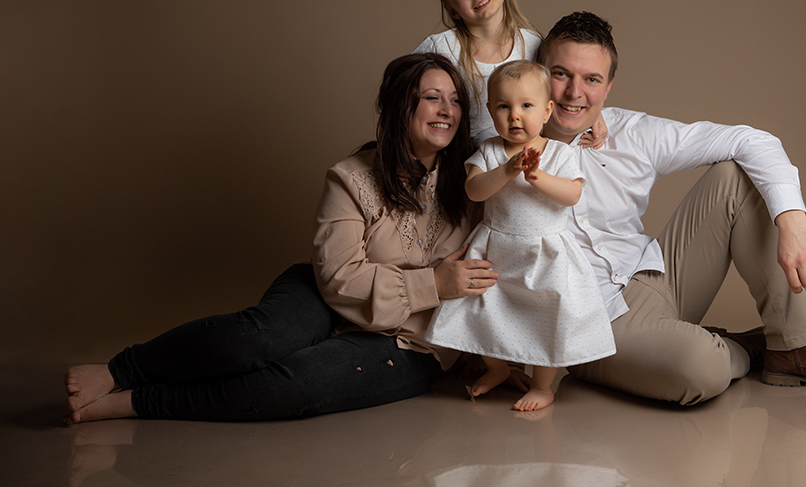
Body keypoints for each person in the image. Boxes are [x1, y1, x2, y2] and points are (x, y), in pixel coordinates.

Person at [63, 53, 504, 423]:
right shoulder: (351, 177)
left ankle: (138, 402)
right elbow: (340, 278)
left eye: (455, 101)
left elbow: (518, 252)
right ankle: (120, 370)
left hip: (410, 338)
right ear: (398, 106)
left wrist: (507, 356)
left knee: (298, 383)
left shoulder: (474, 181)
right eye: (432, 98)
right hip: (325, 292)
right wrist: (434, 284)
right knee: (254, 341)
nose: (447, 110)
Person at [533, 11, 806, 406]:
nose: (574, 93)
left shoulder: (630, 131)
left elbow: (752, 141)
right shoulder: (504, 151)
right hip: (596, 323)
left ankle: (796, 345)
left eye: (591, 79)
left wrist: (794, 223)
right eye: (561, 74)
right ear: (538, 72)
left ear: (609, 86)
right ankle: (742, 349)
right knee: (700, 370)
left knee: (734, 176)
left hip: (656, 278)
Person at [425, 61, 615, 411]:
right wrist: (508, 170)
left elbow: (572, 194)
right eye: (503, 106)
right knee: (482, 311)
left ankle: (544, 385)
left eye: (526, 106)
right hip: (497, 248)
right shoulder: (490, 152)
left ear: (546, 112)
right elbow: (475, 191)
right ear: (491, 112)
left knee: (550, 317)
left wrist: (537, 177)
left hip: (546, 252)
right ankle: (498, 368)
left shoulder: (558, 152)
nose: (515, 116)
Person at [414, 0, 605, 148]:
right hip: (464, 164)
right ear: (451, 9)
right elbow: (402, 98)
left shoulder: (532, 44)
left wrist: (594, 116)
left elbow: (560, 91)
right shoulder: (441, 48)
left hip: (522, 158)